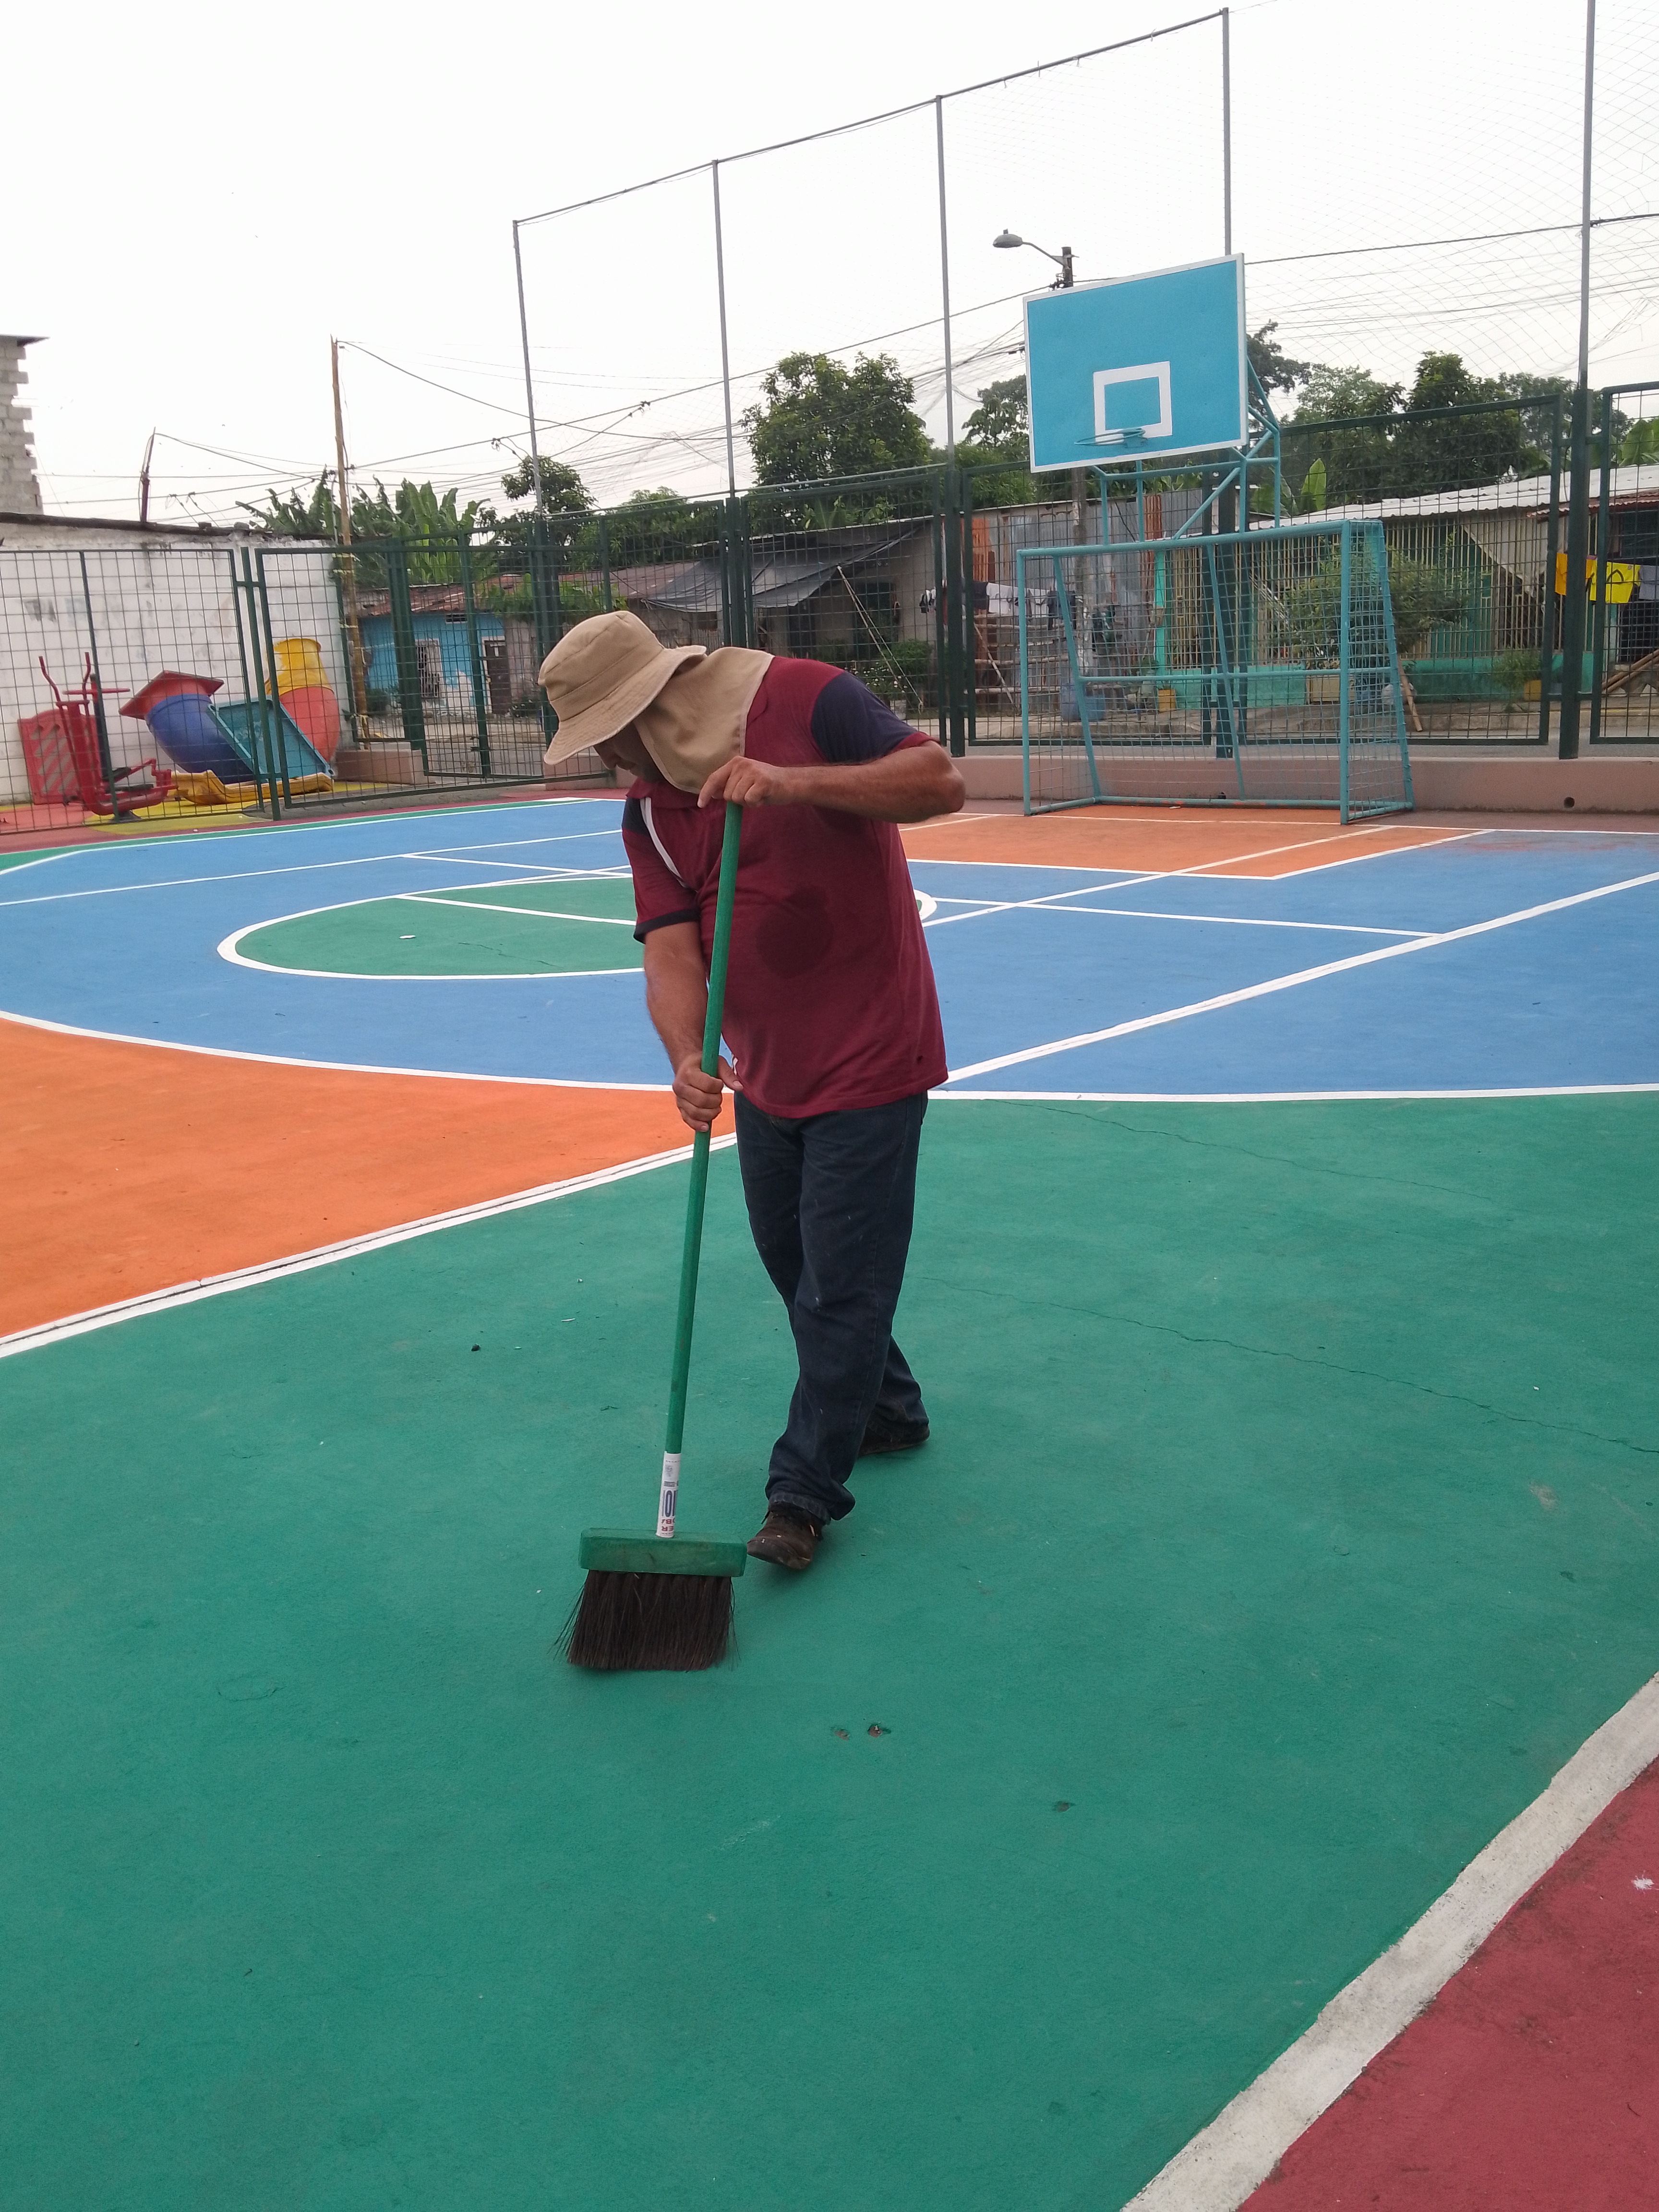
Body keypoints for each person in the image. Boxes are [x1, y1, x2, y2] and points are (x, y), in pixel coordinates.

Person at [538, 610, 965, 1572]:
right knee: (793, 1260)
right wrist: (685, 1055)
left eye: (602, 732)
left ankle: (802, 1494)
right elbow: (671, 951)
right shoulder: (651, 808)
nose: (602, 754)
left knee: (840, 1283)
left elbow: (939, 780)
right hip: (767, 1069)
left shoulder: (808, 699)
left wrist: (791, 782)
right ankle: (888, 1408)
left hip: (873, 1051)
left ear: (643, 707)